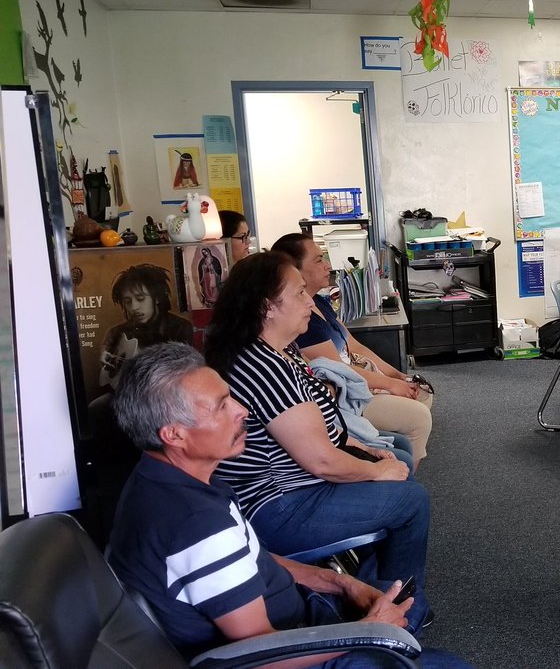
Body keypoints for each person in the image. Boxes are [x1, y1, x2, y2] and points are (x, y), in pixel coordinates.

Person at [106, 343, 465, 667]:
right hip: (290, 645)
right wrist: (370, 631)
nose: (242, 410)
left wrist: (340, 584)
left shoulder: (166, 477)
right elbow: (261, 655)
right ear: (174, 434)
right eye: (221, 405)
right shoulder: (197, 526)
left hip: (296, 612)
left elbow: (252, 556)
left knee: (406, 603)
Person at [204, 251, 432, 625]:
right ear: (267, 307)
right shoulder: (261, 365)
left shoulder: (280, 352)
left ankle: (369, 589)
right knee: (411, 500)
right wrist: (374, 472)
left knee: (398, 463)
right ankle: (404, 609)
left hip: (296, 487)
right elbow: (320, 460)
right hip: (278, 507)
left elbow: (321, 428)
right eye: (298, 294)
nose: (310, 300)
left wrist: (361, 449)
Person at [272, 233, 435, 467]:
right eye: (318, 260)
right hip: (346, 393)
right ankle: (404, 478)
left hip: (357, 379)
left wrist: (395, 375)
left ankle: (403, 472)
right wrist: (389, 384)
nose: (328, 265)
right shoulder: (302, 321)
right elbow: (340, 372)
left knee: (421, 394)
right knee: (418, 416)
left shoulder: (319, 302)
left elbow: (355, 347)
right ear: (294, 269)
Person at [99, 263, 194, 389]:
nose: (134, 307)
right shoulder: (117, 332)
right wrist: (105, 354)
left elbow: (184, 373)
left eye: (140, 298)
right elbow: (108, 349)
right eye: (127, 301)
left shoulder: (180, 328)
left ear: (157, 298)